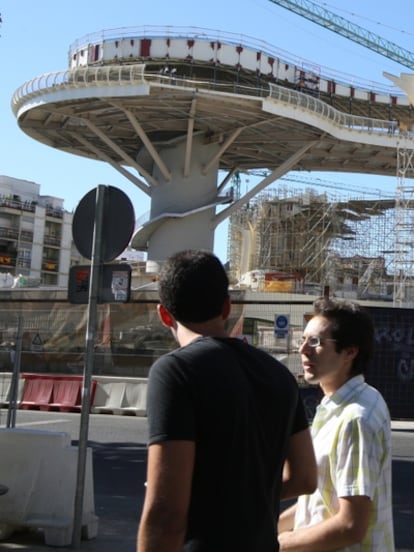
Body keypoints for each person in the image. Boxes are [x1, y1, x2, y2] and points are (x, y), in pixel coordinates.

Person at [137, 249, 316, 552]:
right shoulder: (280, 375)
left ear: (164, 314)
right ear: (227, 306)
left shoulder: (175, 372)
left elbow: (167, 513)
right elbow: (305, 478)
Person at [278, 297, 394, 551]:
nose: (303, 350)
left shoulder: (356, 419)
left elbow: (350, 525)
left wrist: (279, 543)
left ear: (350, 352)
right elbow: (323, 500)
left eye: (316, 342)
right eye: (303, 339)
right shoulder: (346, 402)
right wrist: (270, 528)